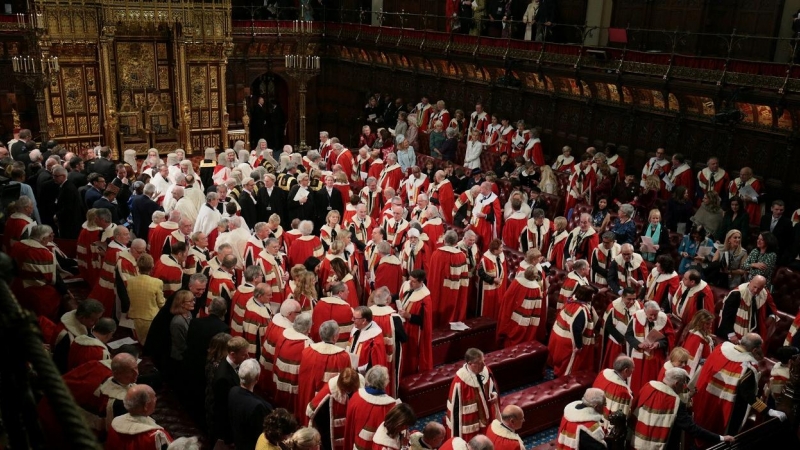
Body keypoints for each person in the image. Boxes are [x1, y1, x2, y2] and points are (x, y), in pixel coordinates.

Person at [693, 333, 787, 437]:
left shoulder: (721, 348)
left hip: (705, 399)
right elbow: (748, 396)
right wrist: (768, 411)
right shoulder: (747, 369)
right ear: (755, 350)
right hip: (726, 411)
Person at [631, 368, 735, 449]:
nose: (684, 386)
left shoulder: (648, 386)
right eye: (683, 383)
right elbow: (692, 429)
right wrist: (721, 438)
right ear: (676, 384)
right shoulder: (675, 402)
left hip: (636, 440)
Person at [297, 320, 351, 417]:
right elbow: (346, 381)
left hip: (310, 396)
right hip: (329, 402)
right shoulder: (343, 356)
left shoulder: (307, 352)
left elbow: (303, 380)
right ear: (335, 337)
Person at [446, 348, 500, 442]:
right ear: (470, 364)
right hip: (472, 424)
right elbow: (455, 411)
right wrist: (457, 439)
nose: (483, 364)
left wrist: (494, 394)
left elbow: (493, 386)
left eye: (483, 361)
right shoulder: (460, 381)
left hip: (488, 416)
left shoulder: (486, 370)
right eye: (479, 363)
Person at [626, 300, 675, 396]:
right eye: (651, 315)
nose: (653, 317)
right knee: (636, 383)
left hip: (655, 357)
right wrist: (638, 344)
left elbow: (669, 339)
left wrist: (658, 344)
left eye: (655, 315)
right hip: (638, 356)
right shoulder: (636, 318)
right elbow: (628, 335)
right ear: (645, 312)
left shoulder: (664, 319)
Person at [343, 366, 399, 450]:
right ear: (385, 382)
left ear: (368, 378)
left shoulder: (356, 397)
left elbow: (349, 427)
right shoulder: (391, 406)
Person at [306, 367, 362, 450]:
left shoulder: (360, 387)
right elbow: (311, 411)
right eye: (346, 390)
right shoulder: (329, 391)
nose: (348, 392)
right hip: (329, 432)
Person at [106, 385, 173, 448]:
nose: (156, 399)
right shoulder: (155, 436)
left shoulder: (115, 424)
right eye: (154, 397)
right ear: (146, 406)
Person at [716, 275, 777, 344]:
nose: (756, 290)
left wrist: (771, 316)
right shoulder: (736, 294)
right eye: (754, 287)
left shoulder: (764, 294)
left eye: (759, 289)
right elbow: (726, 316)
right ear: (750, 282)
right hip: (730, 334)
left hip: (751, 334)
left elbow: (771, 309)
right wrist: (731, 335)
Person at [273, 312, 314, 413]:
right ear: (308, 329)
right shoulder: (307, 344)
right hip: (294, 385)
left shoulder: (284, 334)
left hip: (279, 379)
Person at [212, 336, 250, 445]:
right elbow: (223, 408)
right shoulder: (223, 378)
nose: (247, 357)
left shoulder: (234, 364)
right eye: (244, 354)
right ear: (233, 354)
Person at [229, 359, 273, 450]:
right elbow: (261, 434)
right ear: (257, 378)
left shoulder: (233, 391)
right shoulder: (258, 406)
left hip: (238, 441)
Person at [496, 266, 544, 349]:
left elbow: (507, 297)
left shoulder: (517, 281)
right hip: (526, 316)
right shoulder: (536, 288)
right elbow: (537, 307)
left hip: (513, 312)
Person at [397, 269, 433, 376]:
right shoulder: (407, 286)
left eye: (413, 281)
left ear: (421, 282)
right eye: (410, 280)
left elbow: (424, 321)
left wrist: (408, 316)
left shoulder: (425, 298)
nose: (410, 283)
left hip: (414, 331)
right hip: (403, 325)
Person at [126, 254, 166, 345]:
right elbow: (161, 303)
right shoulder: (157, 282)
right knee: (151, 342)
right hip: (151, 317)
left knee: (140, 341)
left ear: (138, 266)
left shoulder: (130, 281)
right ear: (152, 266)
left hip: (135, 315)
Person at [599, 287, 642, 370]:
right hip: (617, 342)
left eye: (634, 299)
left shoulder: (639, 306)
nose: (632, 302)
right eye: (629, 299)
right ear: (622, 297)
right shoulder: (613, 306)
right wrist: (621, 339)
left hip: (631, 342)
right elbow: (608, 325)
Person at [348, 306, 388, 375]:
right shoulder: (355, 329)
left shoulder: (374, 337)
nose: (352, 320)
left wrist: (357, 370)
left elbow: (375, 364)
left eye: (355, 318)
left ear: (364, 321)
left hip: (365, 375)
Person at [680, 309, 715, 378]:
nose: (710, 326)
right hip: (697, 371)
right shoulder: (697, 338)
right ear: (700, 323)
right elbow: (693, 360)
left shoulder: (697, 333)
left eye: (711, 323)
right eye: (707, 323)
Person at [477, 239, 507, 319]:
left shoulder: (501, 256)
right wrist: (492, 279)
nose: (502, 249)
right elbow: (480, 273)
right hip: (487, 287)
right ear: (494, 250)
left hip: (498, 286)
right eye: (500, 248)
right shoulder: (485, 258)